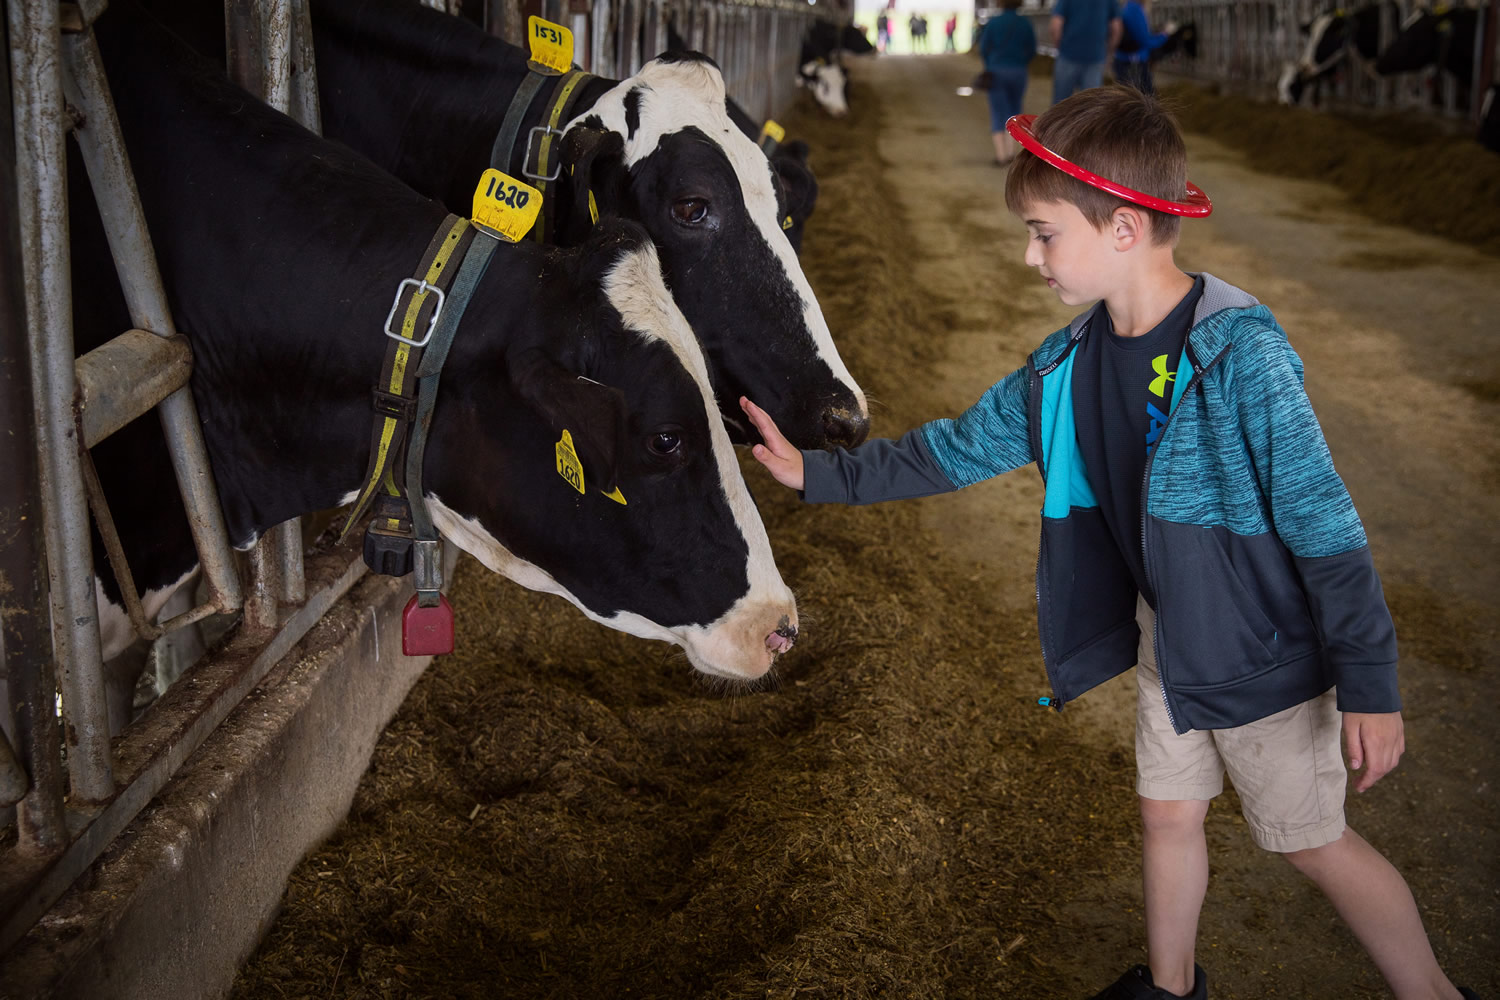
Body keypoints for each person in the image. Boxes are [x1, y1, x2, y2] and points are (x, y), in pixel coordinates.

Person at [739, 86, 1482, 1000]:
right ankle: (1170, 990)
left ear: (1124, 228)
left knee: (1311, 844)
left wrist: (1370, 683)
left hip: (1263, 661)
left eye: (1045, 233)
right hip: (1169, 642)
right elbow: (957, 449)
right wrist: (820, 473)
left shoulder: (1241, 357)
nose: (1029, 255)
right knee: (1165, 817)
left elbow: (1324, 524)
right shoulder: (1066, 365)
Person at [978, 0, 1035, 166]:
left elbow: (983, 49)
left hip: (997, 72)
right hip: (1018, 72)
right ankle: (1012, 153)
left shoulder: (994, 23)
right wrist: (1021, 62)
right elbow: (1031, 49)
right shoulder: (1025, 23)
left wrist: (990, 65)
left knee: (998, 112)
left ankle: (1001, 156)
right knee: (1015, 110)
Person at [1051, 0, 1121, 103]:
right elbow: (1116, 28)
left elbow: (1056, 25)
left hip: (1068, 56)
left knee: (1060, 104)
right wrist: (1108, 52)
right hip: (1095, 58)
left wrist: (1059, 46)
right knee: (1090, 106)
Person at [1114, 0, 1171, 94]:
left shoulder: (1127, 6)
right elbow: (1146, 41)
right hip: (1134, 63)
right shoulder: (1134, 9)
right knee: (1142, 98)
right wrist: (1164, 35)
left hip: (1123, 59)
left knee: (1126, 96)